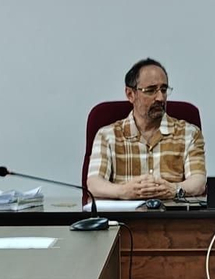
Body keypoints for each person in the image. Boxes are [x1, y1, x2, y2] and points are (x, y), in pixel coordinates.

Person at [87, 58, 207, 201]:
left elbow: (198, 181)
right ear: (130, 94)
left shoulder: (189, 133)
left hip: (173, 219)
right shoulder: (107, 135)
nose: (160, 98)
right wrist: (123, 191)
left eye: (163, 89)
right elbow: (94, 183)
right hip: (124, 219)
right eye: (151, 90)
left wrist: (175, 190)